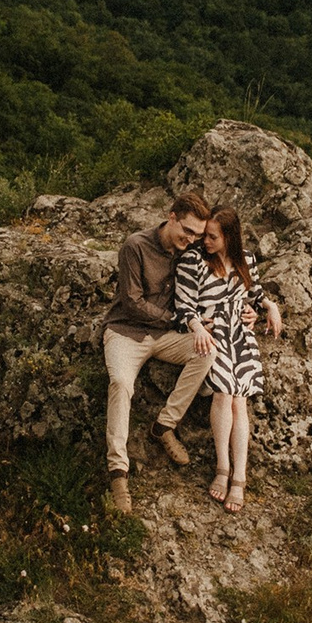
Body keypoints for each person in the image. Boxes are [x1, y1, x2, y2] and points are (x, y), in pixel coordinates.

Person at [101, 192, 217, 513]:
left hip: (166, 335)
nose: (192, 239)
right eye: (187, 231)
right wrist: (178, 320)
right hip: (126, 331)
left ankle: (164, 426)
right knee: (122, 384)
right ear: (172, 217)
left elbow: (227, 267)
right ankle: (118, 472)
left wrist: (255, 307)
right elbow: (132, 303)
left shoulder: (190, 250)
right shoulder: (135, 246)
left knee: (206, 351)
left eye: (197, 234)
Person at [173, 206, 282, 513]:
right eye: (204, 234)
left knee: (239, 401)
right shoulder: (193, 260)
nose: (204, 241)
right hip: (210, 333)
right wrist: (197, 327)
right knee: (224, 393)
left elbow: (255, 294)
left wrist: (268, 307)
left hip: (240, 335)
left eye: (212, 237)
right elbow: (183, 307)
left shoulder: (245, 259)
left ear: (229, 236)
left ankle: (240, 476)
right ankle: (223, 468)